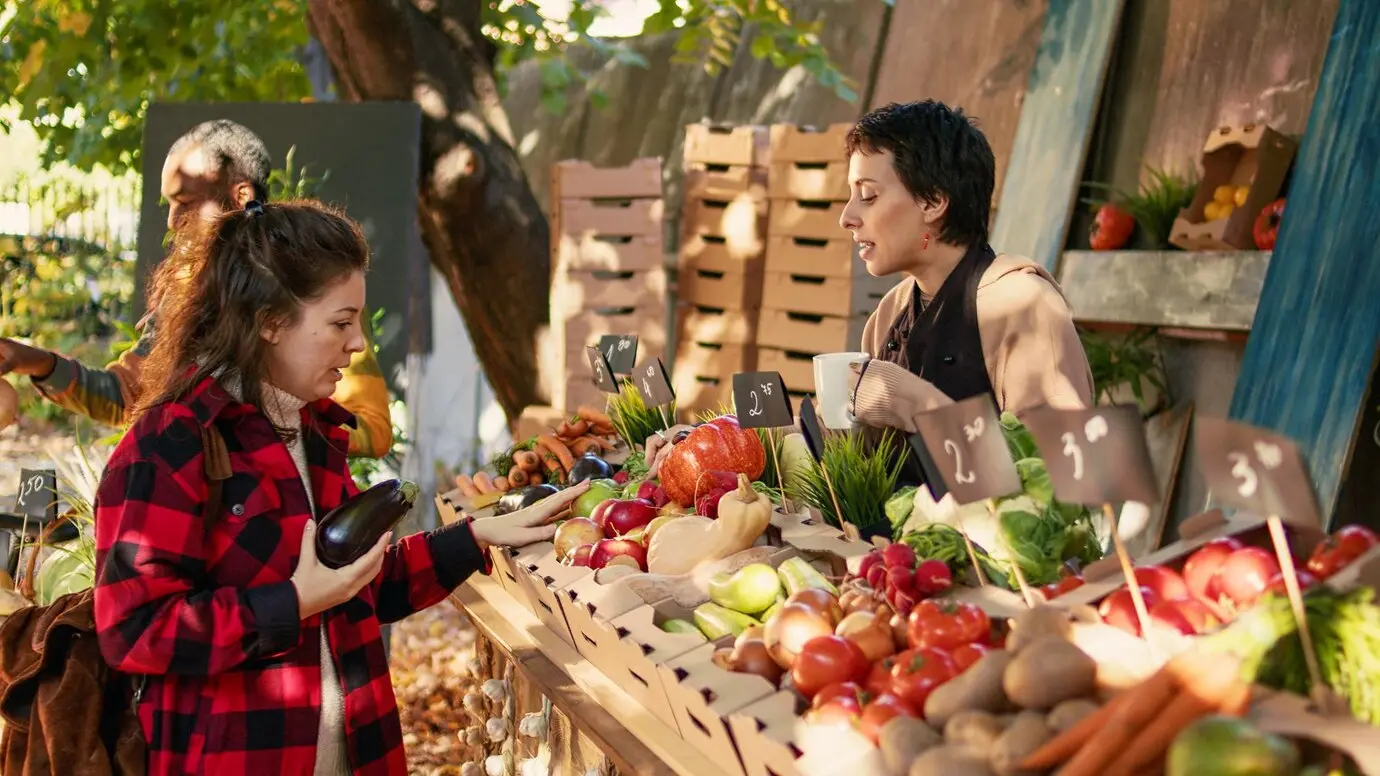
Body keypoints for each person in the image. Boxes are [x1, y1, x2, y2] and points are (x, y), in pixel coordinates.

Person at [91, 200, 590, 776]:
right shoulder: (173, 443)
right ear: (271, 322)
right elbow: (135, 631)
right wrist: (293, 602)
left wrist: (476, 535)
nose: (357, 344)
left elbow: (356, 587)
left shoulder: (316, 430)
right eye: (340, 322)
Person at [0, 119, 394, 458]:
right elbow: (129, 395)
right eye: (168, 203)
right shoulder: (185, 292)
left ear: (241, 195)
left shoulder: (306, 283)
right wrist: (36, 362)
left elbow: (372, 429)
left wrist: (265, 426)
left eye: (185, 200)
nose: (172, 221)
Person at [841, 100, 1093, 433]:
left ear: (932, 202)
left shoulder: (1024, 306)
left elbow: (1058, 468)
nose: (847, 218)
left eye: (869, 196)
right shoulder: (891, 312)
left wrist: (914, 404)